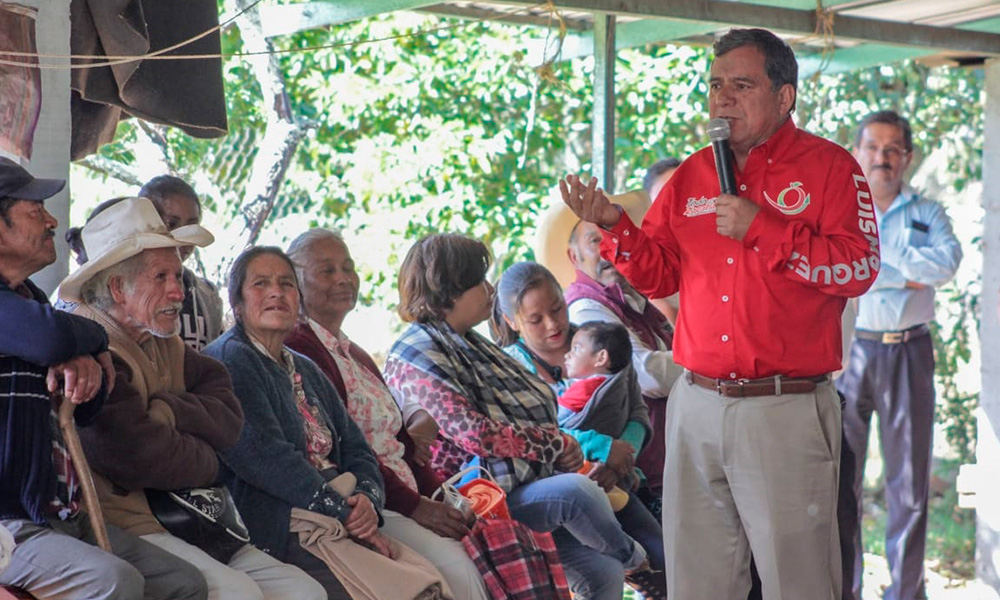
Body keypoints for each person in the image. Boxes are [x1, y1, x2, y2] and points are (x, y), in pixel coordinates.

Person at [560, 27, 881, 600]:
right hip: (697, 403)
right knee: (698, 580)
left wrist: (763, 227)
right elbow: (658, 273)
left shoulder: (830, 167)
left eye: (741, 84)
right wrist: (614, 226)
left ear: (784, 97)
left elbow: (857, 268)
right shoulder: (692, 176)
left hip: (783, 407)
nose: (722, 98)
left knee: (798, 581)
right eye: (714, 85)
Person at [57, 198, 325, 600]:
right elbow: (141, 458)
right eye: (161, 277)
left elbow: (227, 412)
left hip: (195, 518)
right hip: (135, 526)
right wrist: (211, 459)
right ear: (117, 287)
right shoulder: (100, 352)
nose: (178, 291)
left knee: (304, 592)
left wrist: (167, 411)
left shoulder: (162, 338)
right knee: (238, 594)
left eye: (178, 276)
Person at [383, 233, 661, 600]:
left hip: (527, 480)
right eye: (478, 282)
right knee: (577, 493)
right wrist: (557, 442)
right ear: (450, 292)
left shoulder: (469, 341)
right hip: (474, 497)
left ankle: (625, 563)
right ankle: (636, 563)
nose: (488, 290)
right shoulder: (419, 349)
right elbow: (474, 434)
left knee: (600, 572)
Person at [0, 160, 207, 600]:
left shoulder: (29, 300)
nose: (53, 220)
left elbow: (88, 406)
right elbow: (50, 334)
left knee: (183, 585)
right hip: (7, 522)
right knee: (113, 581)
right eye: (35, 210)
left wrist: (84, 359)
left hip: (56, 512)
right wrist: (91, 342)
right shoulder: (43, 322)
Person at [204, 246, 450, 600]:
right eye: (261, 283)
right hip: (281, 518)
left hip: (338, 509)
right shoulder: (230, 360)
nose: (276, 291)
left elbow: (356, 447)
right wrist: (344, 512)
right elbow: (266, 459)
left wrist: (367, 498)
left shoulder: (305, 366)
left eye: (286, 283)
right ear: (237, 306)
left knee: (427, 585)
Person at [283, 228, 489, 600]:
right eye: (327, 271)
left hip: (407, 495)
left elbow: (397, 443)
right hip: (368, 504)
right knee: (461, 568)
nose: (344, 278)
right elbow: (344, 449)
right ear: (295, 281)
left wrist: (437, 498)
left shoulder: (353, 351)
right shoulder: (299, 348)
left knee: (486, 548)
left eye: (348, 267)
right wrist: (417, 506)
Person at [837, 110, 963, 600]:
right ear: (857, 152)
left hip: (908, 352)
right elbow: (836, 264)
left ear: (907, 157)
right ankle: (845, 590)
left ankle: (906, 593)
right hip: (848, 353)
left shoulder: (927, 212)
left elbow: (947, 263)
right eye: (872, 147)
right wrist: (907, 270)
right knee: (841, 481)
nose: (882, 158)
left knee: (909, 485)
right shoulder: (840, 209)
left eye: (893, 150)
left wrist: (875, 267)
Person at [537, 192, 683, 516]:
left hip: (655, 453)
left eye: (612, 237)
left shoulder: (633, 297)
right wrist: (710, 362)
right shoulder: (587, 306)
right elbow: (648, 376)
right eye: (594, 240)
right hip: (637, 469)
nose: (607, 250)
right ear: (573, 257)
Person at [559, 321, 647, 505]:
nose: (567, 354)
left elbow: (555, 419)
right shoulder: (617, 377)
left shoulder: (585, 388)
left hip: (594, 470)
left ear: (601, 358)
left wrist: (619, 458)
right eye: (535, 319)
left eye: (575, 349)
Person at [138, 175, 225, 350]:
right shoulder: (129, 291)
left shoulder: (206, 295)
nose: (184, 236)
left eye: (192, 225)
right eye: (172, 224)